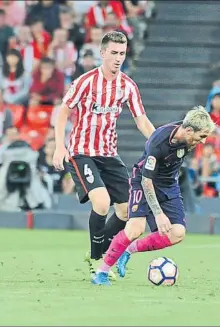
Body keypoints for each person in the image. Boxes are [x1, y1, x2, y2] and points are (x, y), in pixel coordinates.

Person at [52, 31, 155, 278]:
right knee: (101, 202)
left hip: (109, 154)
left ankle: (103, 251)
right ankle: (97, 258)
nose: (118, 58)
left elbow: (141, 121)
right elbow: (63, 111)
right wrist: (59, 146)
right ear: (102, 53)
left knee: (126, 211)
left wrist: (160, 145)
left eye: (122, 53)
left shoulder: (127, 85)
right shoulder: (86, 81)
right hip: (81, 153)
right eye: (114, 53)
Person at [91, 107, 215, 285]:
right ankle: (101, 272)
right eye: (201, 136)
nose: (202, 141)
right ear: (188, 130)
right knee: (135, 228)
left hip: (168, 185)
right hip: (144, 180)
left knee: (177, 233)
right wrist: (158, 214)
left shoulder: (188, 134)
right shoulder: (158, 143)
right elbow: (147, 182)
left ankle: (128, 251)